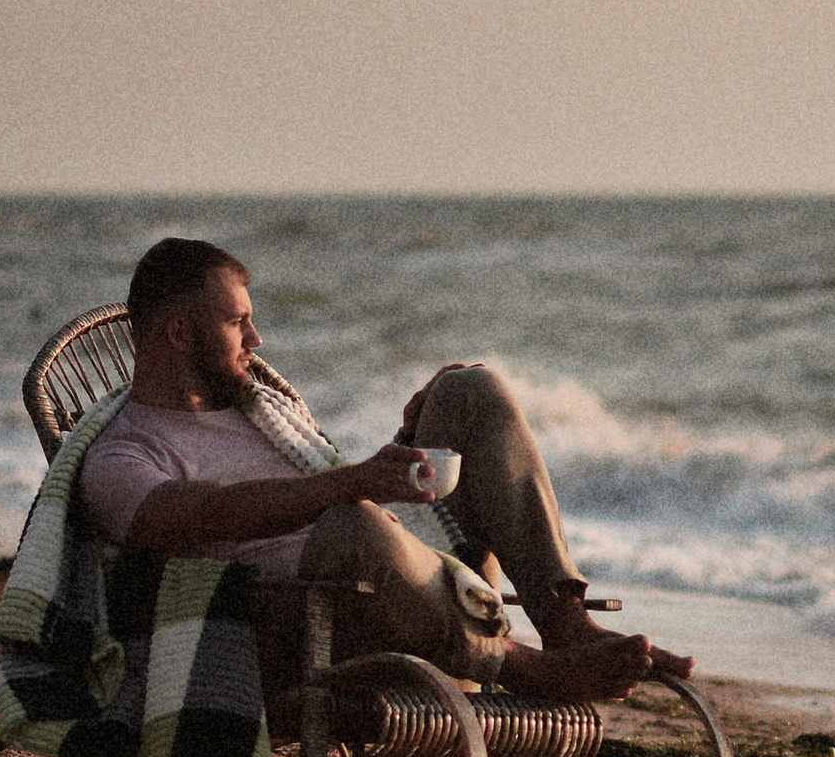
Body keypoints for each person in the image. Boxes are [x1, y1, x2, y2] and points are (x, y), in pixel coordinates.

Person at [76, 237, 690, 706]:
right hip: (304, 627)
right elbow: (207, 514)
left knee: (468, 390)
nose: (257, 339)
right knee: (351, 527)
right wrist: (352, 485)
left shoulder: (258, 413)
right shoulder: (121, 454)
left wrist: (401, 448)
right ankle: (524, 668)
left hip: (397, 579)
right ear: (180, 331)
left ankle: (563, 622)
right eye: (238, 322)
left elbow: (335, 480)